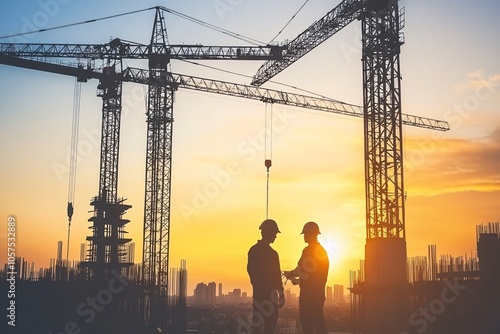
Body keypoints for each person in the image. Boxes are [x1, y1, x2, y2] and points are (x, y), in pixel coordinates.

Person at [284, 221, 329, 334]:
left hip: (309, 295)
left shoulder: (309, 251)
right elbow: (312, 275)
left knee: (307, 323)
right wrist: (299, 280)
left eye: (305, 234)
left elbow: (302, 270)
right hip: (317, 294)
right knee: (318, 322)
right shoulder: (321, 252)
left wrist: (290, 274)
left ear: (311, 234)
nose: (304, 236)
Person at [247, 219, 285, 334]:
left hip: (262, 295)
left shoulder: (255, 250)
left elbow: (252, 272)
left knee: (260, 325)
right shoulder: (271, 254)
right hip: (268, 296)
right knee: (268, 325)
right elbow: (276, 276)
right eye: (274, 234)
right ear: (268, 233)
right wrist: (280, 293)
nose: (275, 237)